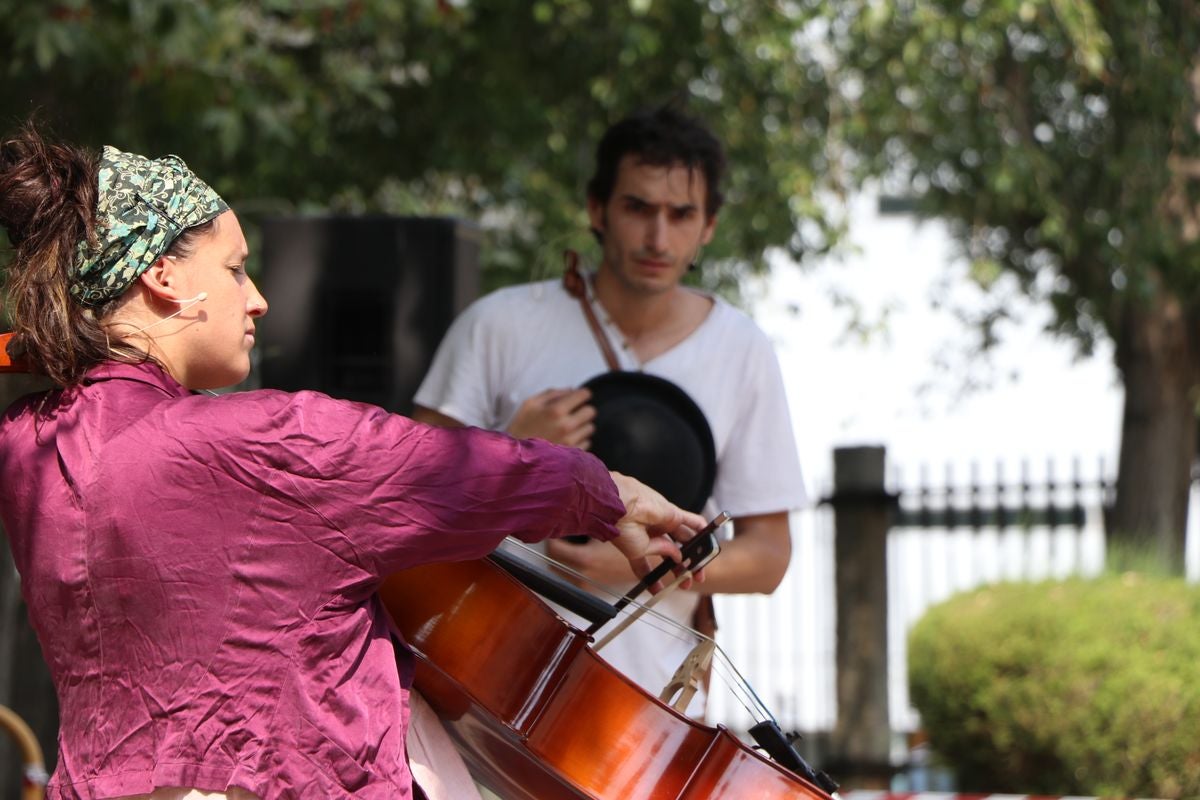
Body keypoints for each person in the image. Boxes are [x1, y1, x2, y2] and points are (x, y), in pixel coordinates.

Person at [0, 123, 709, 800]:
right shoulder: (267, 442)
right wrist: (604, 492)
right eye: (235, 269)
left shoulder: (26, 447)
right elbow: (454, 472)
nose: (258, 299)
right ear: (161, 276)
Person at [413, 104, 805, 716]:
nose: (658, 237)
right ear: (598, 209)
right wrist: (509, 449)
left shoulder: (742, 349)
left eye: (681, 215)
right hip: (478, 677)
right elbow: (404, 491)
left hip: (647, 708)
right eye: (638, 208)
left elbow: (768, 556)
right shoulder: (501, 324)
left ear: (709, 226)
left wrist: (643, 569)